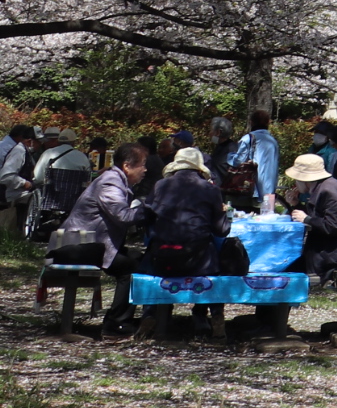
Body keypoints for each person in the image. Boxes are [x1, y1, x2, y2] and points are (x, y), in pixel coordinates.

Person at [60, 142, 150, 334]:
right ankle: (116, 324)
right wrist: (151, 208)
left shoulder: (115, 179)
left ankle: (122, 319)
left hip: (93, 243)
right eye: (142, 164)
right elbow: (124, 216)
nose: (145, 169)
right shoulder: (111, 182)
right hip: (80, 244)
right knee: (133, 268)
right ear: (127, 165)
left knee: (139, 259)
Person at [142, 146, 233, 279]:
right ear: (199, 168)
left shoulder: (160, 185)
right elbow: (221, 230)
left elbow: (147, 217)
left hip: (162, 254)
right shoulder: (209, 188)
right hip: (199, 257)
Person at [283, 152, 337, 279]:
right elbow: (318, 216)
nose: (295, 182)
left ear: (305, 179)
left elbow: (334, 226)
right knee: (288, 263)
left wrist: (306, 219)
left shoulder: (328, 191)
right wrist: (296, 205)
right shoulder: (325, 186)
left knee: (285, 269)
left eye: (296, 179)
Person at [227, 111, 279, 215]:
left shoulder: (248, 139)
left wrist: (229, 156)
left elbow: (238, 161)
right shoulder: (273, 141)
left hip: (250, 189)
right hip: (269, 190)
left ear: (251, 122)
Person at [0, 123, 30, 229]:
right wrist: (23, 183)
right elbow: (6, 176)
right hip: (4, 188)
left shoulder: (3, 144)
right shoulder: (15, 149)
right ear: (21, 137)